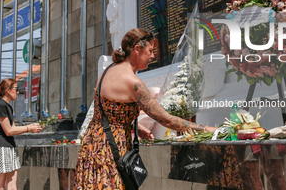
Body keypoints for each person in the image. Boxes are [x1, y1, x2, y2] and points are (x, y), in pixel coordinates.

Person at [74, 28, 217, 189]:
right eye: (150, 51)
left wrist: (136, 125)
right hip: (110, 152)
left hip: (93, 146)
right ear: (137, 49)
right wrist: (205, 129)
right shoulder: (133, 83)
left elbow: (110, 109)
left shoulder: (108, 70)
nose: (153, 56)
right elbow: (165, 119)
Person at [0, 78, 42, 190]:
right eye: (16, 89)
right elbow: (8, 130)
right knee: (0, 186)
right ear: (8, 90)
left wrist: (31, 128)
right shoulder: (0, 105)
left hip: (10, 146)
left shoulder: (7, 106)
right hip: (1, 147)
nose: (18, 92)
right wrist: (28, 128)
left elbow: (12, 128)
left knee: (12, 185)